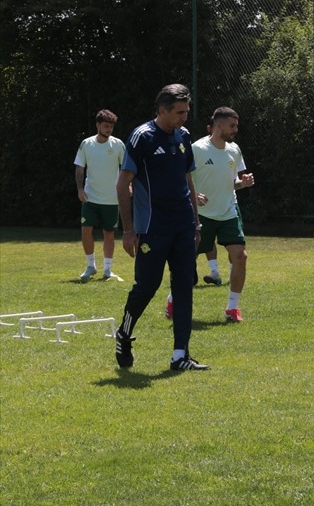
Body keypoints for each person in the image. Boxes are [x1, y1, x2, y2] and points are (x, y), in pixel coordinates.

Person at [113, 84, 208, 371]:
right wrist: (128, 230)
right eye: (179, 112)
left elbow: (188, 179)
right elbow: (123, 183)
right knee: (147, 286)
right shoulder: (142, 137)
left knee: (184, 287)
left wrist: (196, 221)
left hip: (183, 225)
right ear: (162, 110)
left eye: (186, 111)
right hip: (153, 227)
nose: (184, 117)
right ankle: (124, 334)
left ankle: (180, 355)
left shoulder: (184, 136)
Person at [167, 107, 254, 322]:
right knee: (187, 261)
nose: (236, 129)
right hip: (200, 215)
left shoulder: (234, 150)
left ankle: (232, 308)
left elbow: (231, 182)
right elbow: (177, 178)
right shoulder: (197, 149)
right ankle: (172, 301)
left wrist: (241, 184)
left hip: (228, 212)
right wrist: (192, 196)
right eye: (232, 125)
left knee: (240, 256)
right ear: (219, 125)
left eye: (236, 125)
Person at [74, 109, 126, 282]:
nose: (109, 129)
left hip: (112, 199)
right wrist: (80, 190)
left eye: (111, 126)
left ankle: (108, 270)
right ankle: (91, 266)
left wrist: (129, 185)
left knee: (109, 234)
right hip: (90, 197)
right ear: (98, 125)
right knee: (86, 231)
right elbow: (80, 168)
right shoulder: (86, 144)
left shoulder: (118, 144)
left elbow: (126, 168)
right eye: (105, 126)